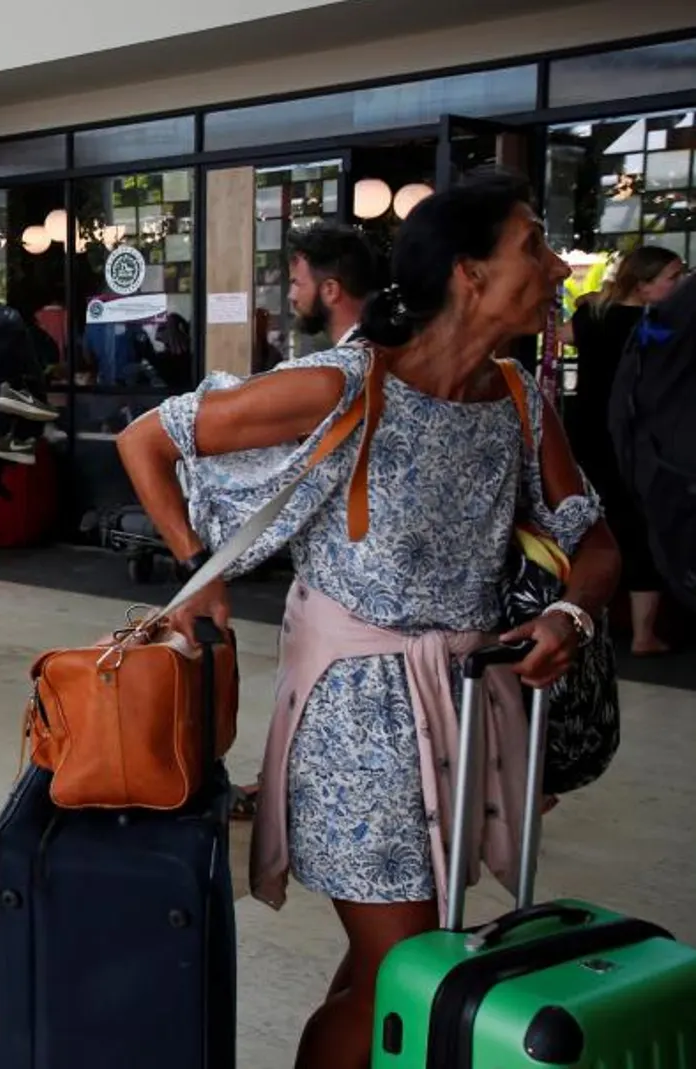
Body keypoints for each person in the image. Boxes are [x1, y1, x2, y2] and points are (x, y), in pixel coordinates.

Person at [115, 172, 618, 1069]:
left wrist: (573, 611)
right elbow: (147, 439)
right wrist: (200, 571)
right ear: (469, 272)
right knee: (407, 965)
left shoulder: (517, 400)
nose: (553, 265)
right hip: (360, 721)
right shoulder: (347, 382)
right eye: (532, 245)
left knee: (386, 962)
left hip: (463, 715)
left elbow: (599, 543)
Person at [564, 245, 685, 655]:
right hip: (635, 439)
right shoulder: (657, 328)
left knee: (591, 527)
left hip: (585, 434)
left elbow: (562, 335)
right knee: (640, 531)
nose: (681, 285)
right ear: (644, 284)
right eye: (673, 277)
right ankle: (643, 634)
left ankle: (578, 618)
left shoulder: (592, 317)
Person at [289, 222, 380, 350]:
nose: (291, 296)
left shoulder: (353, 361)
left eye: (296, 283)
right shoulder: (378, 348)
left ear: (330, 290)